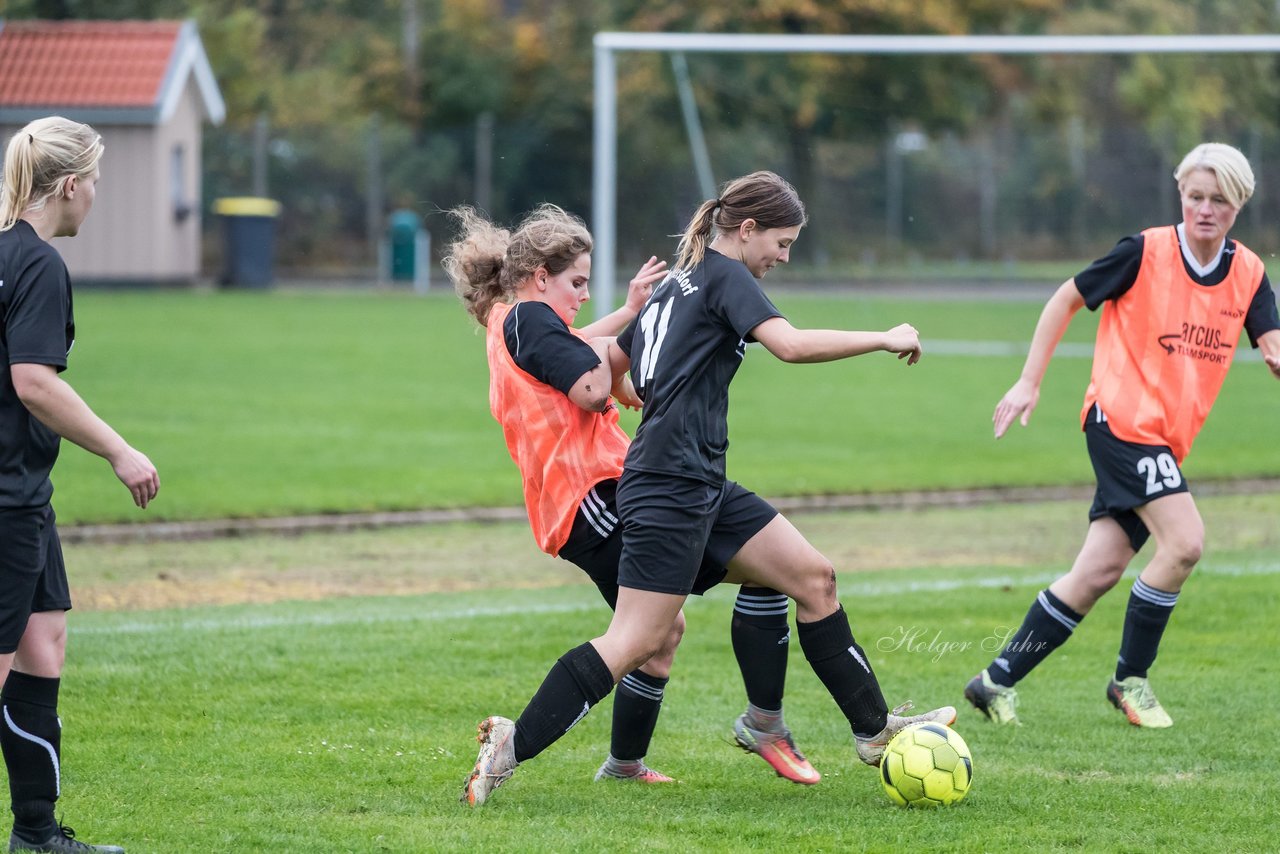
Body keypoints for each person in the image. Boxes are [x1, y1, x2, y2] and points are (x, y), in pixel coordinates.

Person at [462, 171, 955, 807]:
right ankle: (510, 745)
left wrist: (647, 386)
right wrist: (886, 336)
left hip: (697, 477)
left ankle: (872, 730)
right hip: (667, 485)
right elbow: (792, 346)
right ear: (745, 231)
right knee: (638, 639)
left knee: (812, 577)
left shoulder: (675, 287)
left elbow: (612, 364)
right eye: (781, 241)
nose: (783, 256)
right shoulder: (722, 276)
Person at [444, 204, 820, 792]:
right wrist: (630, 358)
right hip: (592, 494)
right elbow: (593, 387)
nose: (581, 297)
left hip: (579, 503)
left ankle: (623, 767)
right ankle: (510, 748)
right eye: (576, 284)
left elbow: (572, 345)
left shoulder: (508, 322)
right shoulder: (530, 318)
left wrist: (629, 316)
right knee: (644, 633)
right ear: (540, 276)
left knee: (662, 634)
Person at [965, 142, 1280, 729]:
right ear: (1180, 195)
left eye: (1218, 200)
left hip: (1166, 440)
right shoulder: (1145, 252)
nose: (1204, 209)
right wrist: (1029, 381)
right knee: (1184, 543)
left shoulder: (1250, 273)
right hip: (1121, 422)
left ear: (1238, 205)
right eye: (1194, 196)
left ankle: (994, 681)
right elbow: (1065, 298)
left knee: (1096, 573)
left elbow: (1272, 340)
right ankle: (1130, 680)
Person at [0, 117, 160, 853]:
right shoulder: (37, 265)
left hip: (25, 495)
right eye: (94, 181)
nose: (96, 194)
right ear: (69, 186)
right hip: (5, 500)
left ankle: (36, 833)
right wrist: (119, 450)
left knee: (44, 645)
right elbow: (33, 382)